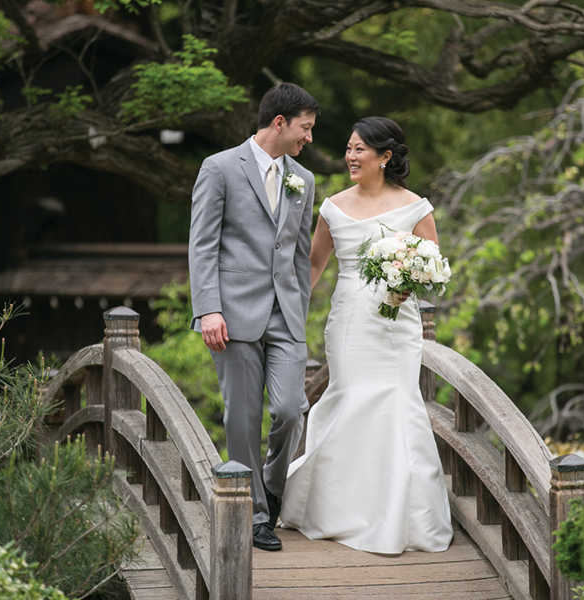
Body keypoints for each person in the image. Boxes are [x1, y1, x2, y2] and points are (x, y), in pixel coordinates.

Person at [280, 116, 453, 554]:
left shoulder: (417, 207)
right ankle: (338, 510)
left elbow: (434, 272)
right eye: (349, 148)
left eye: (360, 150)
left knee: (397, 403)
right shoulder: (333, 206)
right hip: (350, 320)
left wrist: (407, 279)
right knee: (350, 399)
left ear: (385, 157)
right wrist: (286, 315)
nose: (351, 157)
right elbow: (314, 267)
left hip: (397, 324)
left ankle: (400, 517)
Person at [188, 83, 319, 552]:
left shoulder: (303, 177)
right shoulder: (220, 167)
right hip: (233, 313)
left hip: (286, 315)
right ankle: (256, 513)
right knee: (242, 418)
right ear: (279, 123)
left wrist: (300, 311)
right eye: (305, 128)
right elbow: (202, 244)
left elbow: (301, 253)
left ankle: (272, 486)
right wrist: (208, 309)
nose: (309, 139)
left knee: (289, 410)